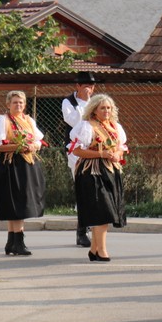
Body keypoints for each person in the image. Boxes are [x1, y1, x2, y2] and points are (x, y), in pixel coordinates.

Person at [0, 90, 47, 256]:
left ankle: (12, 242)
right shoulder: (1, 121)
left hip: (25, 164)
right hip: (8, 165)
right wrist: (18, 147)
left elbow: (38, 140)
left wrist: (34, 146)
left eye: (21, 103)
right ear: (8, 104)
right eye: (15, 102)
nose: (18, 105)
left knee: (20, 202)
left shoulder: (28, 120)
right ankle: (17, 242)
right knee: (15, 203)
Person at [70, 93, 127, 262]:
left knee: (106, 211)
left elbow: (122, 147)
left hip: (110, 171)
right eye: (102, 108)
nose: (106, 111)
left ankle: (94, 249)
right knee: (102, 210)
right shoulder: (87, 126)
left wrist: (116, 153)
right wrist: (101, 153)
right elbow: (76, 150)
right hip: (91, 172)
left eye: (109, 108)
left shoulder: (115, 126)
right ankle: (102, 250)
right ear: (94, 110)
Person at [62, 71, 96, 247]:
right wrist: (87, 106)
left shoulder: (95, 102)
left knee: (92, 188)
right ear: (78, 87)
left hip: (94, 151)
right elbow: (74, 121)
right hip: (76, 151)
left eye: (91, 86)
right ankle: (81, 230)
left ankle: (88, 226)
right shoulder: (69, 102)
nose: (88, 90)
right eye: (85, 87)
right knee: (82, 187)